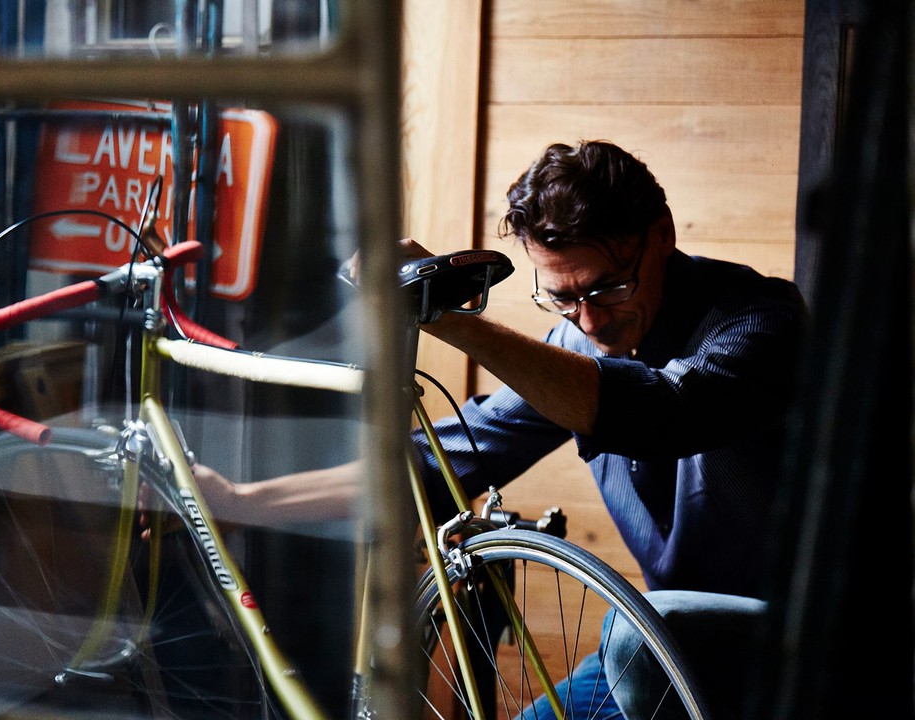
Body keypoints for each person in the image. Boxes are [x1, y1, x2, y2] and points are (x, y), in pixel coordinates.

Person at [178, 139, 809, 719]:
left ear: (662, 236)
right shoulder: (580, 345)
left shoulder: (761, 321)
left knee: (639, 635)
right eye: (561, 297)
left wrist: (441, 312)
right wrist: (240, 501)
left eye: (609, 287)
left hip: (797, 644)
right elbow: (442, 461)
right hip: (663, 654)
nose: (589, 321)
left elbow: (665, 413)